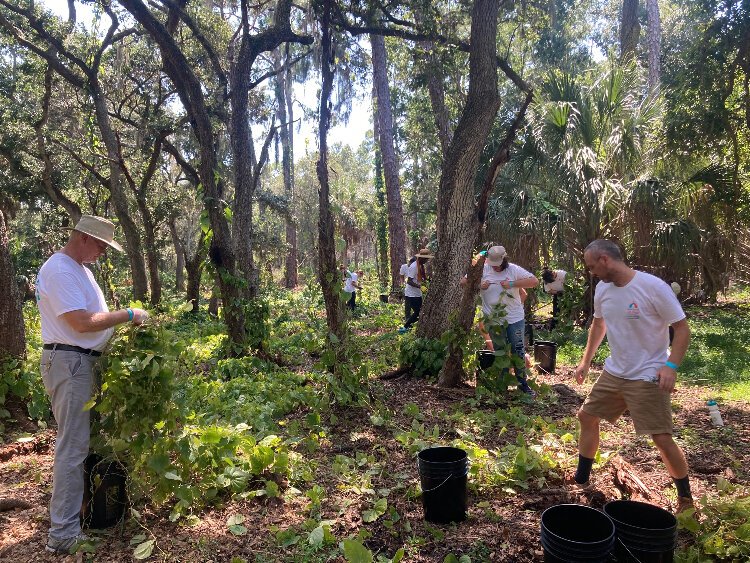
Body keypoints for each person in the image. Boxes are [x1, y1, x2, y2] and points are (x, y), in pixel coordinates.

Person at [36, 215, 149, 554]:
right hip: (70, 364)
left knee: (85, 444)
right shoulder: (60, 270)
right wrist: (128, 315)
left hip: (85, 363)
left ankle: (84, 513)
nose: (102, 251)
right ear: (83, 237)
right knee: (72, 448)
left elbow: (93, 323)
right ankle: (62, 535)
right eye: (100, 244)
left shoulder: (81, 271)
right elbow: (81, 323)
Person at [571, 239, 694, 514]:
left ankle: (685, 498)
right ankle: (582, 478)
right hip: (615, 370)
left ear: (605, 259)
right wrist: (585, 361)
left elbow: (682, 329)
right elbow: (599, 324)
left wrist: (671, 366)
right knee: (586, 416)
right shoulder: (603, 289)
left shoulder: (653, 287)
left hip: (648, 373)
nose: (591, 272)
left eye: (592, 266)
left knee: (661, 437)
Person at [478, 245, 538, 395]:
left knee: (518, 349)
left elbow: (534, 281)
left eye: (498, 264)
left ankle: (522, 383)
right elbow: (463, 282)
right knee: (500, 351)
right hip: (493, 319)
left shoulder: (513, 270)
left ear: (504, 260)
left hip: (514, 318)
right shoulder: (483, 269)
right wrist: (480, 285)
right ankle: (502, 384)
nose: (496, 268)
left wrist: (512, 284)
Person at [398, 248, 433, 333]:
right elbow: (409, 281)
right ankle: (405, 327)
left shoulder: (420, 266)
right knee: (418, 312)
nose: (427, 260)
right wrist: (419, 287)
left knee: (421, 312)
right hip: (411, 294)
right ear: (422, 258)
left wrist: (427, 282)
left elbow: (421, 278)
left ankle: (411, 327)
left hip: (417, 294)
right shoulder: (414, 266)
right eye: (426, 259)